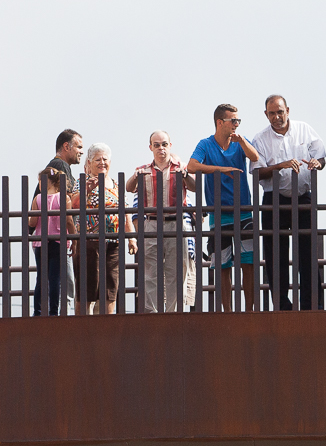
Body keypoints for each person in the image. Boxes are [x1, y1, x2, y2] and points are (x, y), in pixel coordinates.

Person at [251, 95, 326, 311]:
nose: (277, 117)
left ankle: (312, 305)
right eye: (272, 113)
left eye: (280, 112)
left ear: (288, 111)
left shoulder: (304, 129)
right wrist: (280, 166)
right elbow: (257, 173)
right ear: (266, 114)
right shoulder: (260, 138)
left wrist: (317, 163)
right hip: (274, 199)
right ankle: (282, 306)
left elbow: (321, 157)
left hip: (303, 196)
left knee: (308, 253)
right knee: (276, 255)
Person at [187, 103, 262, 312]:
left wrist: (243, 141)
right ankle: (227, 312)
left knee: (249, 263)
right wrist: (221, 169)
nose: (237, 124)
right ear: (220, 122)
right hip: (218, 214)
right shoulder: (205, 144)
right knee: (222, 265)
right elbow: (192, 166)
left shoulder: (240, 142)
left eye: (238, 120)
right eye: (233, 120)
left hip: (244, 211)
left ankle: (249, 310)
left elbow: (255, 157)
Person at [126, 131, 198, 314]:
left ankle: (173, 314)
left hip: (176, 223)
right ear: (150, 147)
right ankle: (151, 314)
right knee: (150, 272)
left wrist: (185, 175)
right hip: (152, 222)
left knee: (176, 273)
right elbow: (129, 187)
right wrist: (135, 176)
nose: (161, 148)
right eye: (156, 145)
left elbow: (195, 187)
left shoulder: (181, 167)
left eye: (164, 144)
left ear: (170, 146)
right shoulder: (144, 170)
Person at [76, 143, 135, 314]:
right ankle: (84, 326)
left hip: (113, 242)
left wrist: (131, 238)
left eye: (105, 159)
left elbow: (125, 214)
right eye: (97, 159)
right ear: (89, 162)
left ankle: (105, 324)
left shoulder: (116, 185)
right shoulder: (82, 182)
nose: (102, 162)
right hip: (89, 242)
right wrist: (87, 190)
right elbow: (73, 205)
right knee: (87, 288)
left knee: (110, 288)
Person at [29, 167, 73, 315]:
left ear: (47, 181)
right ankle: (53, 311)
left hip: (41, 243)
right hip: (58, 242)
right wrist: (74, 238)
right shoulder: (64, 198)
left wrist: (28, 219)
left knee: (41, 278)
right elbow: (68, 221)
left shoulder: (38, 199)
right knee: (55, 278)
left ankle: (38, 310)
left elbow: (33, 222)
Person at [46, 129, 83, 194]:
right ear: (66, 147)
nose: (82, 152)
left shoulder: (55, 164)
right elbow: (68, 197)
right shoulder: (61, 164)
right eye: (79, 147)